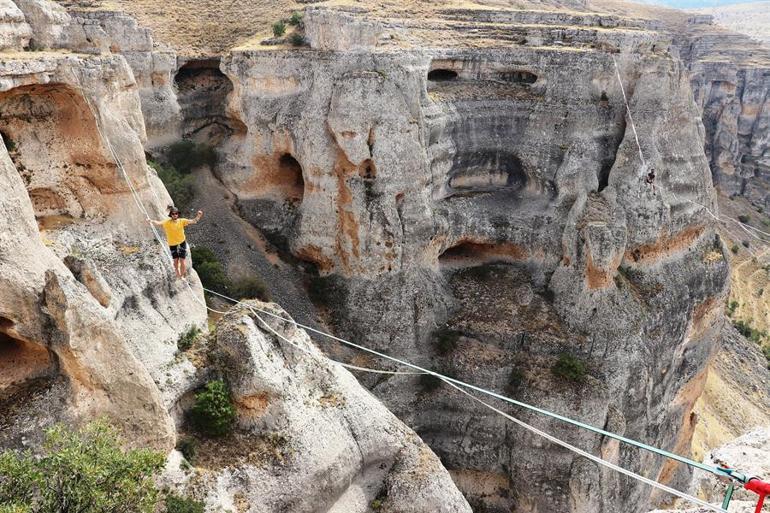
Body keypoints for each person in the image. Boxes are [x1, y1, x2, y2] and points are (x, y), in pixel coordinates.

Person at [148, 206, 203, 278]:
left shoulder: (182, 221)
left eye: (176, 213)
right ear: (171, 215)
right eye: (173, 214)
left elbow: (193, 221)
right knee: (175, 261)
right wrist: (151, 221)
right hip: (172, 244)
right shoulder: (167, 222)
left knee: (182, 261)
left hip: (181, 243)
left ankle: (182, 275)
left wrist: (198, 216)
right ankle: (177, 273)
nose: (175, 215)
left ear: (178, 214)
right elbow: (158, 223)